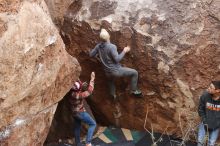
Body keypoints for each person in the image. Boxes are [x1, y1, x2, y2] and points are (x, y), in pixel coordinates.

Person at [89, 28, 142, 99]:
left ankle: (112, 95)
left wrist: (98, 56)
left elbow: (91, 55)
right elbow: (117, 59)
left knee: (110, 81)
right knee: (135, 73)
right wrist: (124, 51)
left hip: (107, 72)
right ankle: (134, 90)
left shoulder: (98, 46)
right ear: (109, 36)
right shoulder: (112, 47)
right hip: (116, 71)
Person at [69, 72, 96, 146]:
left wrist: (81, 85)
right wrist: (92, 79)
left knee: (77, 127)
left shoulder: (71, 92)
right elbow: (89, 91)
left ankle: (78, 143)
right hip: (80, 112)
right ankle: (88, 143)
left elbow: (77, 86)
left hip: (74, 112)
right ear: (78, 89)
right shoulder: (78, 95)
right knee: (93, 124)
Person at [197, 81, 220, 146]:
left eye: (211, 87)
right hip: (204, 123)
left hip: (216, 126)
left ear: (217, 90)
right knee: (200, 142)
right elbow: (200, 109)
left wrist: (218, 123)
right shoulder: (205, 96)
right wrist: (204, 120)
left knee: (211, 143)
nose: (208, 88)